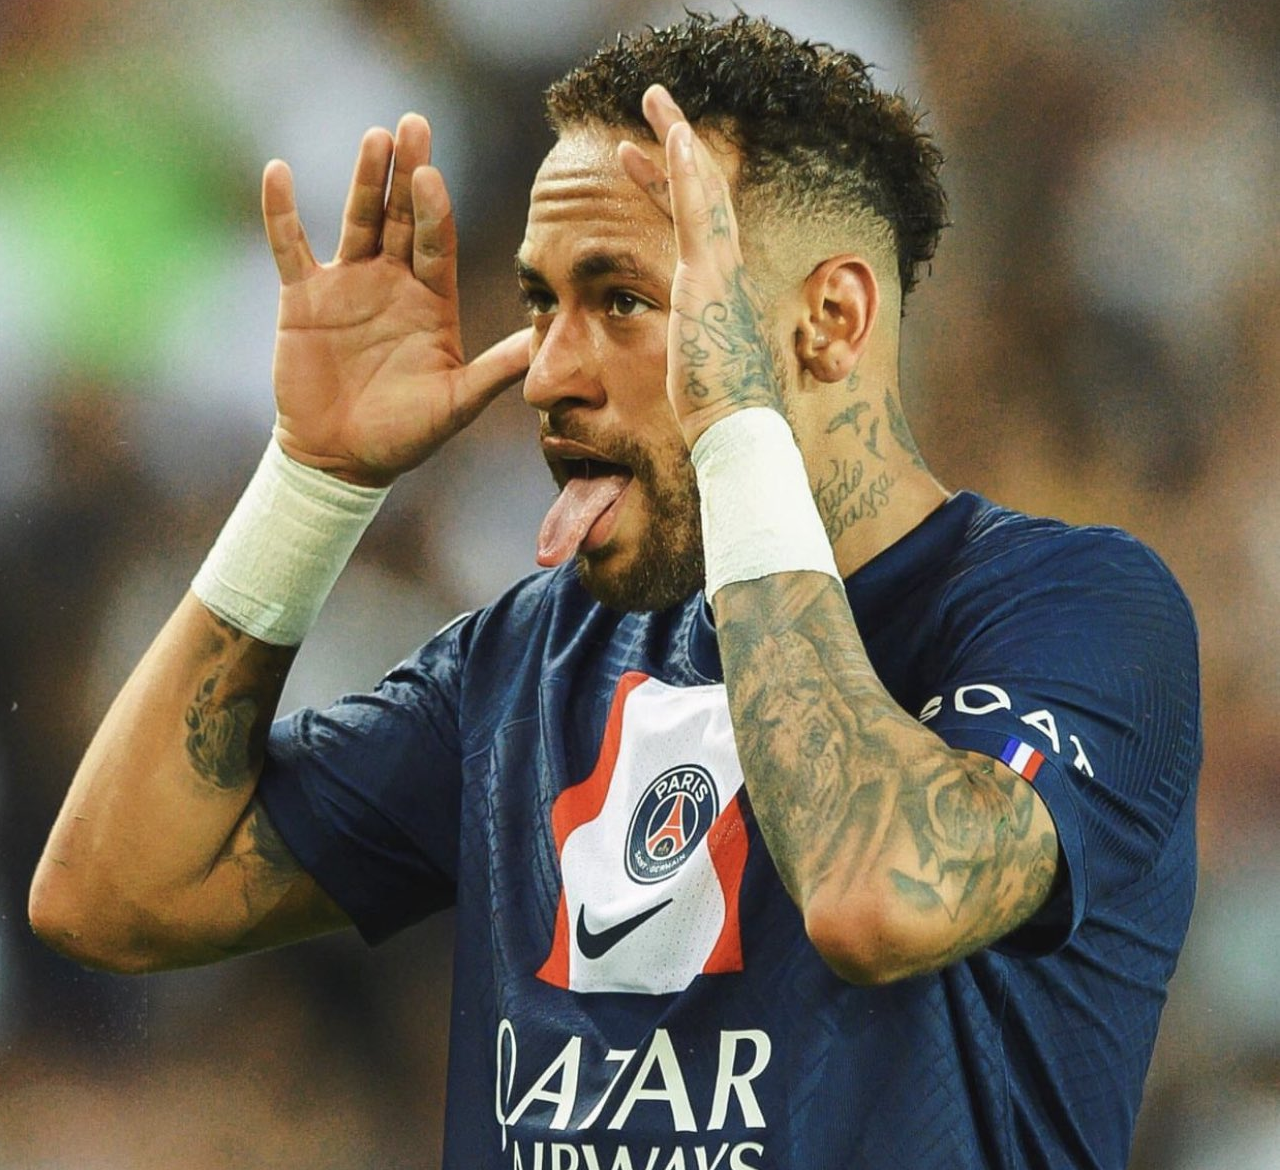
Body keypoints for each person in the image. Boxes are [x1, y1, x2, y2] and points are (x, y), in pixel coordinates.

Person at [29, 14, 1200, 1169]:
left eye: (625, 301)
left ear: (829, 321)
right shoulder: (529, 660)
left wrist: (732, 419)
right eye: (542, 302)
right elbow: (113, 894)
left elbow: (871, 898)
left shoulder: (1069, 610)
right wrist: (311, 484)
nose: (546, 373)